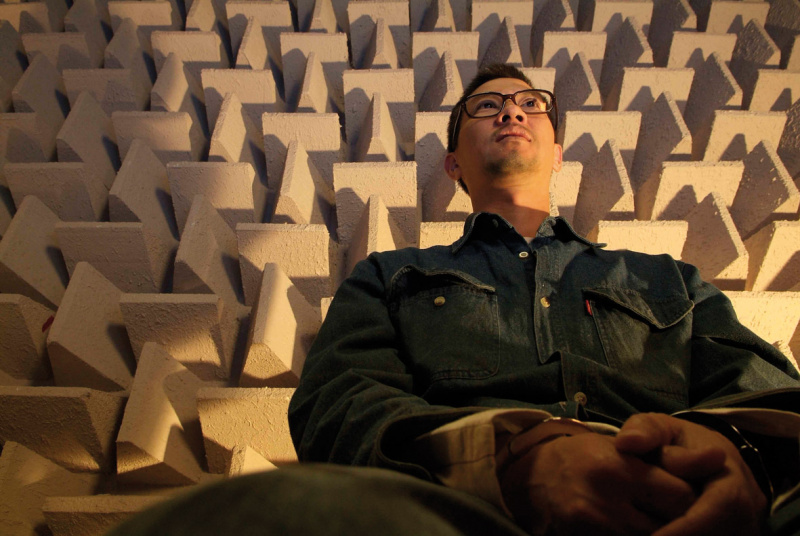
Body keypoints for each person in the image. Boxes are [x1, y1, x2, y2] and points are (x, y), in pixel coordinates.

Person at [110, 64, 800, 536]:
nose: (512, 111)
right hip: (461, 513)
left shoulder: (669, 279)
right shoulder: (390, 278)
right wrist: (516, 458)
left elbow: (773, 398)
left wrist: (734, 456)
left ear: (558, 151)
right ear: (453, 164)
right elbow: (336, 409)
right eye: (486, 106)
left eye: (530, 104)